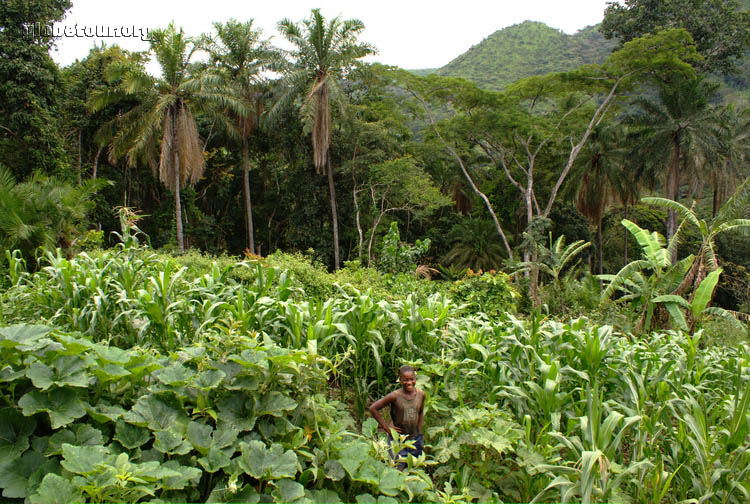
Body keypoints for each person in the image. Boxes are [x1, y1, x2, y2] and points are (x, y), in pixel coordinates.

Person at [368, 365, 425, 469]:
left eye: (412, 379)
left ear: (415, 379)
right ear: (400, 380)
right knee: (398, 468)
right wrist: (386, 428)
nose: (409, 382)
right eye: (405, 380)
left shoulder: (421, 395)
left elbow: (420, 412)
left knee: (414, 466)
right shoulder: (395, 396)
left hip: (415, 437)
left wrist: (420, 432)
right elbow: (373, 408)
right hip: (397, 439)